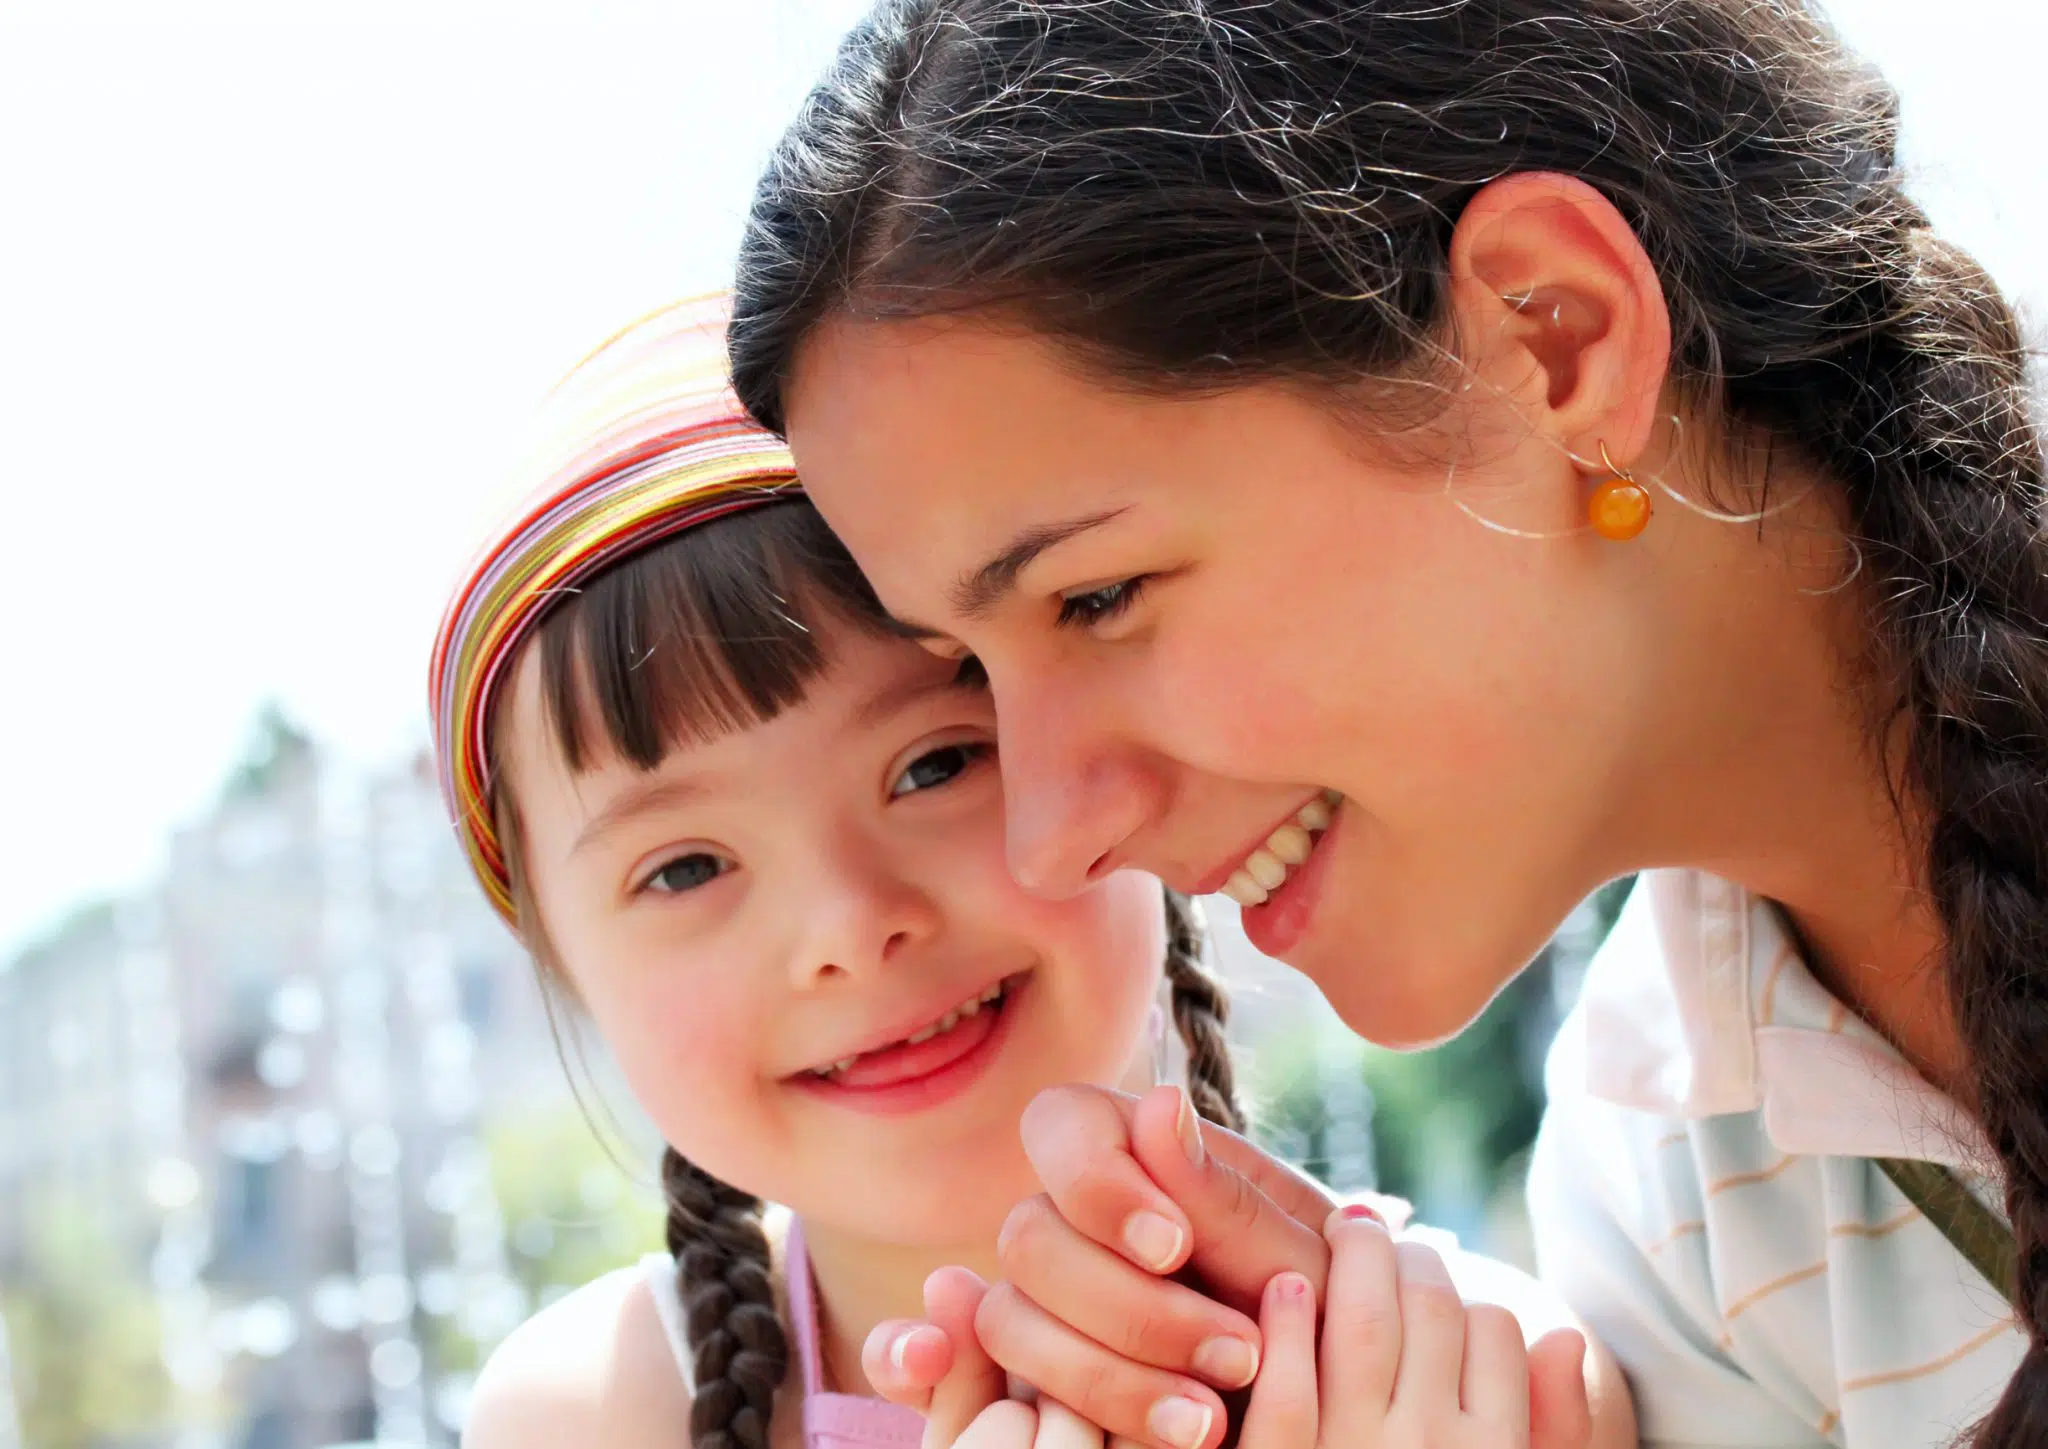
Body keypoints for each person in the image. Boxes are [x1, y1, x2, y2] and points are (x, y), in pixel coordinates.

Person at [726, 2, 2045, 1446]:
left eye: (1097, 597)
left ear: (1555, 337)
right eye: (971, 678)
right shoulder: (1668, 1174)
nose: (1049, 835)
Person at [432, 297, 1615, 1449]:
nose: (849, 923)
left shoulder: (1456, 1378)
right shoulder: (591, 1411)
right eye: (685, 867)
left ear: (1107, 778)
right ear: (568, 972)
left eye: (936, 766)